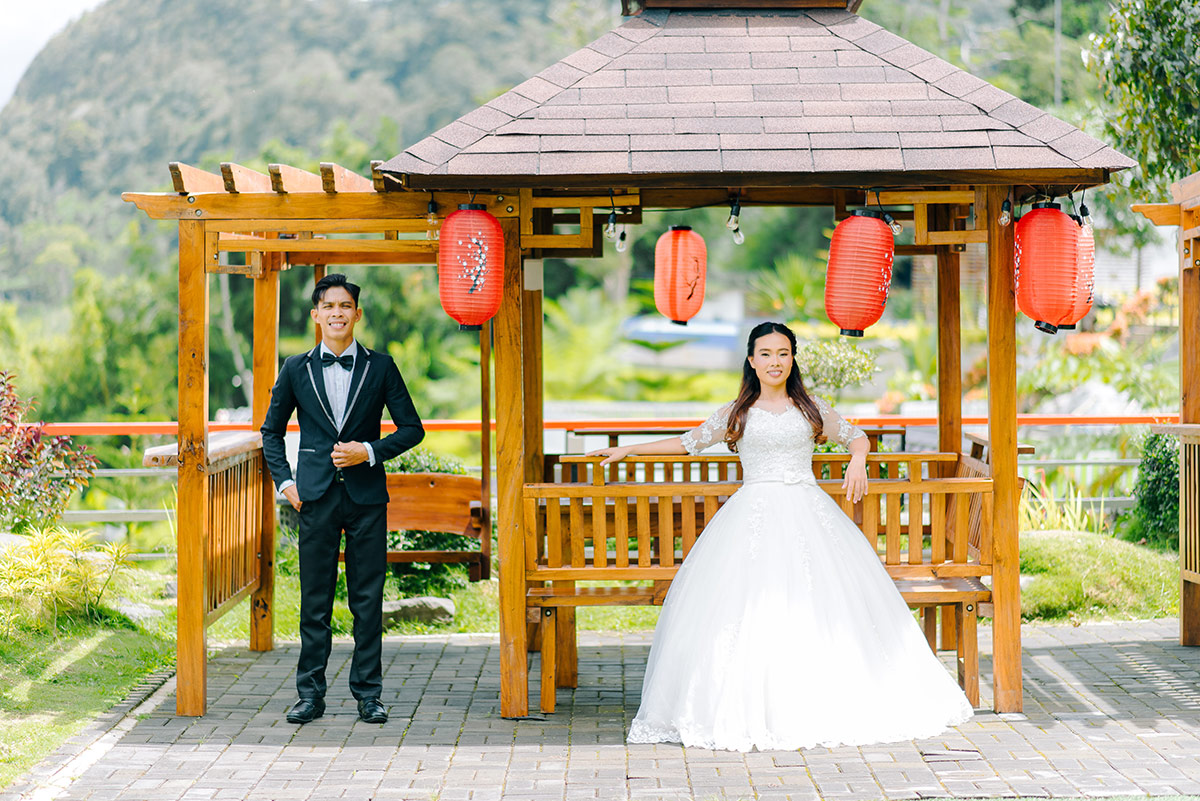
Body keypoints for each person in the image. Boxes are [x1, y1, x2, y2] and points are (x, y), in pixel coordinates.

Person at [588, 322, 972, 751]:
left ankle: (824, 700)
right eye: (766, 354)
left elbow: (857, 437)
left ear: (792, 359)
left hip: (808, 512)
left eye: (783, 353)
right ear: (752, 360)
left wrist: (857, 460)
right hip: (751, 516)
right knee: (746, 607)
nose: (775, 362)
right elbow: (686, 444)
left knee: (820, 601)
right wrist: (628, 449)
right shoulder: (738, 412)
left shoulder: (810, 408)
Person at [261, 274, 424, 725]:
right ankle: (310, 695)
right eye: (329, 306)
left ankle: (369, 695)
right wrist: (285, 484)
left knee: (367, 600)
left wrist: (367, 450)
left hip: (366, 498)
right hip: (313, 497)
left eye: (345, 305)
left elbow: (413, 428)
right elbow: (271, 432)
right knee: (314, 601)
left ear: (357, 313)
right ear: (316, 315)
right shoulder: (295, 368)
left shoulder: (381, 366)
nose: (337, 313)